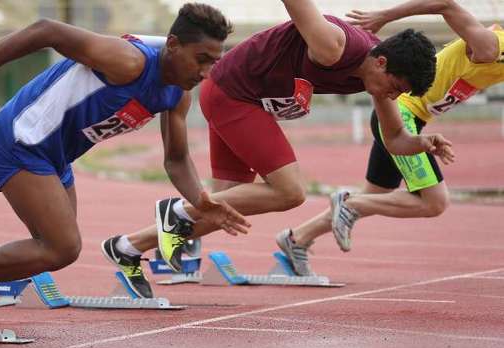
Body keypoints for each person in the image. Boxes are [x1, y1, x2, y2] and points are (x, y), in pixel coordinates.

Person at [0, 3, 249, 333]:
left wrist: (201, 202)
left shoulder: (176, 94)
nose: (206, 72)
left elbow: (176, 160)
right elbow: (46, 29)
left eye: (213, 62)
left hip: (55, 156)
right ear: (173, 45)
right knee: (62, 246)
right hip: (20, 140)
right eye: (201, 59)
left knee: (54, 252)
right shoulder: (128, 61)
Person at [100, 0, 455, 290]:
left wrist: (423, 142)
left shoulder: (376, 80)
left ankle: (127, 247)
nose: (394, 96)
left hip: (244, 100)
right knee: (290, 191)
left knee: (225, 209)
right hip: (233, 93)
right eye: (395, 87)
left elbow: (394, 139)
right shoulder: (333, 45)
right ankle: (176, 211)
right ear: (381, 61)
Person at [273, 0, 504, 276]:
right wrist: (385, 15)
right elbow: (446, 5)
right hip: (400, 114)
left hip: (406, 116)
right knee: (434, 202)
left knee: (376, 196)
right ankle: (348, 202)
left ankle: (296, 238)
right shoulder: (492, 46)